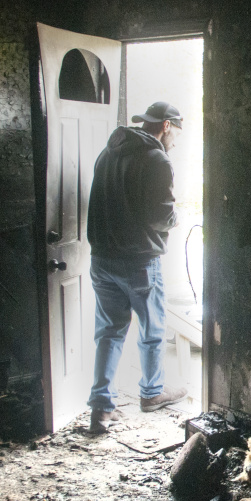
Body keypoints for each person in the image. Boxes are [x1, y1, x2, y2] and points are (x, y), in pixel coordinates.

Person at [86, 101, 188, 434]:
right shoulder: (157, 159)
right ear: (167, 126)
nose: (174, 141)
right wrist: (177, 217)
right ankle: (153, 391)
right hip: (139, 262)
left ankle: (101, 408)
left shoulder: (108, 153)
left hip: (101, 259)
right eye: (175, 133)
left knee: (110, 331)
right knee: (153, 329)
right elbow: (160, 216)